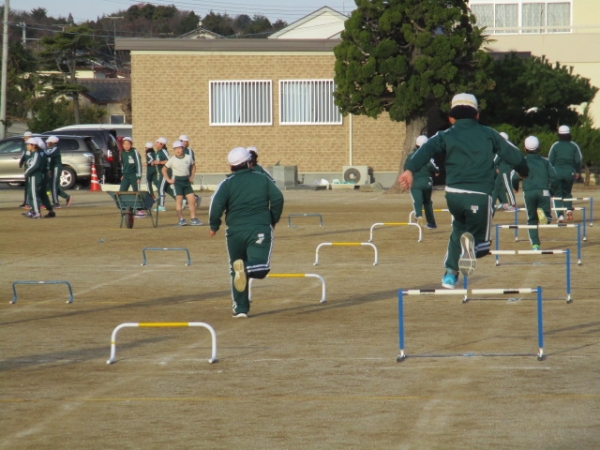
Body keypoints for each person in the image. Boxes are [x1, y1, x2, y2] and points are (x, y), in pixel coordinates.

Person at [398, 93, 529, 289]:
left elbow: (425, 150)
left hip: (454, 195)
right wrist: (524, 172)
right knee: (482, 243)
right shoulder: (489, 133)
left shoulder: (445, 134)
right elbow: (515, 155)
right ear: (477, 115)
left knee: (458, 228)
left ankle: (450, 274)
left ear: (451, 117)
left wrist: (409, 170)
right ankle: (473, 247)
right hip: (479, 194)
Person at [209, 147, 284, 318]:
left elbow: (216, 204)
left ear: (231, 166)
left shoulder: (226, 183)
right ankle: (246, 268)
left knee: (236, 270)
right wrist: (273, 219)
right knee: (260, 267)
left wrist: (214, 226)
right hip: (259, 227)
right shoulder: (262, 179)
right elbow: (278, 198)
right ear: (249, 162)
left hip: (234, 231)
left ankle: (241, 308)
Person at [513, 136, 559, 250]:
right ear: (539, 148)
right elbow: (554, 178)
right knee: (547, 216)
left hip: (528, 192)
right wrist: (551, 191)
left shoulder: (522, 161)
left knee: (531, 219)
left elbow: (514, 177)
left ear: (525, 148)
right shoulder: (545, 161)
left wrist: (516, 187)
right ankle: (545, 217)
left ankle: (535, 244)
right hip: (543, 191)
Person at [161, 140, 202, 226]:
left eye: (179, 148)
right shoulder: (172, 160)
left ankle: (193, 219)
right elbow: (164, 169)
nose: (178, 150)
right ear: (174, 150)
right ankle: (181, 220)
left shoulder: (188, 157)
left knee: (192, 200)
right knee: (179, 200)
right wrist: (168, 179)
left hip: (186, 181)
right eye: (176, 149)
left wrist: (191, 177)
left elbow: (193, 166)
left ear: (183, 148)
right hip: (177, 182)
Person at [403, 135, 439, 229]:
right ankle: (431, 223)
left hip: (415, 182)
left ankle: (418, 215)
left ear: (416, 145)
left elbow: (406, 168)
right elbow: (435, 168)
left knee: (417, 201)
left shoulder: (410, 156)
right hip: (427, 182)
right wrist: (436, 172)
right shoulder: (429, 157)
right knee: (427, 202)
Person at [548, 125, 582, 222]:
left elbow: (550, 161)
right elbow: (578, 160)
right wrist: (577, 171)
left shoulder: (555, 146)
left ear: (559, 134)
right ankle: (568, 209)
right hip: (569, 172)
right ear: (569, 134)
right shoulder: (574, 146)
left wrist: (550, 173)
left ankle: (560, 216)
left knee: (557, 194)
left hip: (557, 173)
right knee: (567, 192)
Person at [23, 138, 55, 219]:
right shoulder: (36, 153)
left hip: (36, 176)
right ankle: (37, 210)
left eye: (28, 144)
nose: (27, 146)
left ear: (34, 145)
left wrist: (26, 172)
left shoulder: (37, 153)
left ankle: (36, 212)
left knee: (34, 194)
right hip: (37, 175)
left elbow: (35, 165)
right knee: (39, 194)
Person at [491, 132, 518, 212]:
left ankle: (513, 205)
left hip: (504, 170)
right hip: (504, 170)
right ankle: (491, 204)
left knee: (508, 187)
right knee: (496, 187)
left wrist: (494, 165)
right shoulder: (509, 147)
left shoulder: (503, 148)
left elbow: (496, 160)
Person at [45, 136, 73, 208]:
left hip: (56, 167)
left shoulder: (55, 148)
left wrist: (41, 151)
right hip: (52, 168)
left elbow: (49, 154)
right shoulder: (49, 149)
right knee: (52, 185)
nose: (47, 143)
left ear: (53, 142)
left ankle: (56, 203)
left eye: (48, 142)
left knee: (54, 185)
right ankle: (67, 197)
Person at [151, 137, 175, 212]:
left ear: (161, 144)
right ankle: (181, 199)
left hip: (166, 172)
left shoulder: (163, 151)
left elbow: (169, 161)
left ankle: (161, 206)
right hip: (161, 172)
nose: (156, 144)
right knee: (167, 188)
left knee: (160, 188)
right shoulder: (158, 152)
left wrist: (159, 162)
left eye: (157, 143)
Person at [179, 134, 201, 209]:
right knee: (182, 188)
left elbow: (192, 163)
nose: (185, 143)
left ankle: (192, 199)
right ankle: (194, 198)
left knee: (186, 188)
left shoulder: (189, 151)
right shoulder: (179, 150)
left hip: (187, 172)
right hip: (179, 172)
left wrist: (191, 175)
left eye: (186, 141)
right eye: (184, 141)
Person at [18, 131, 33, 208]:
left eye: (26, 137)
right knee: (27, 185)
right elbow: (24, 155)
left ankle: (28, 202)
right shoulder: (26, 146)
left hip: (30, 168)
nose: (24, 139)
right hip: (27, 168)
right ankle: (26, 201)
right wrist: (21, 162)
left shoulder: (33, 146)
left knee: (30, 186)